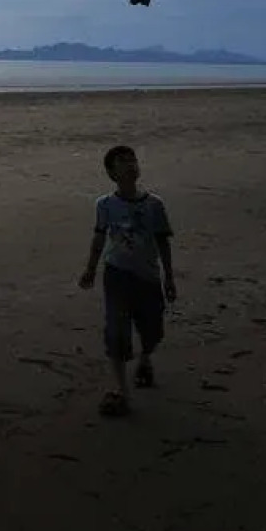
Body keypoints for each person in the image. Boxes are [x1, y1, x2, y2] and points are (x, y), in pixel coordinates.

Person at [77, 144, 177, 417]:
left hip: (148, 276)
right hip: (117, 274)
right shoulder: (105, 205)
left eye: (132, 159)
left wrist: (169, 276)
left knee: (153, 330)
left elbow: (162, 241)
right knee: (117, 331)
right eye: (122, 161)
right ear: (111, 172)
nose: (130, 164)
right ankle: (121, 390)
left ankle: (145, 359)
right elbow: (99, 238)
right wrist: (90, 269)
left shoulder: (154, 204)